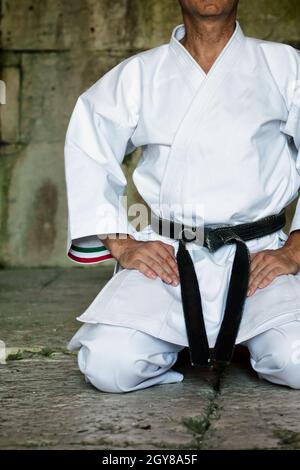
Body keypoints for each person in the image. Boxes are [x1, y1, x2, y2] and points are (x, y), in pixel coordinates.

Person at [64, 0, 300, 393]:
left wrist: (294, 249)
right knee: (109, 366)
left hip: (258, 256)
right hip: (171, 257)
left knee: (296, 360)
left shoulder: (284, 66)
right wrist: (122, 244)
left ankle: (242, 337)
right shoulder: (140, 74)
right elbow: (89, 147)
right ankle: (188, 343)